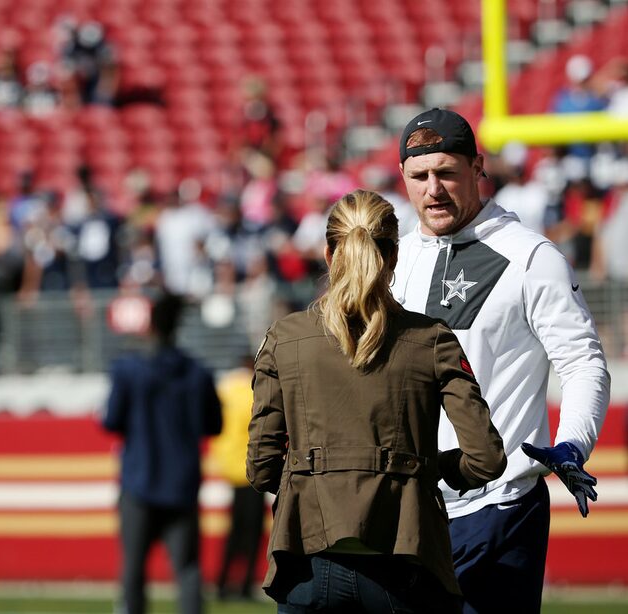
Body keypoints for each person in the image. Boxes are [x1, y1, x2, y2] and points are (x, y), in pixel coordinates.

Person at [247, 189, 507, 613]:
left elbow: (260, 469)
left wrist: (319, 485)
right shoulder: (432, 339)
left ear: (329, 253)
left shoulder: (285, 338)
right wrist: (428, 470)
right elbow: (486, 459)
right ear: (394, 256)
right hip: (405, 558)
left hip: (308, 561)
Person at [392, 108, 611, 613]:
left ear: (477, 168)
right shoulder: (395, 262)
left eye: (446, 172)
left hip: (500, 508)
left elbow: (582, 363)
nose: (433, 189)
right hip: (409, 509)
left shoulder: (533, 257)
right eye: (419, 176)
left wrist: (574, 442)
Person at [102, 292, 223, 614]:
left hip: (138, 482)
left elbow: (111, 420)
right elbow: (213, 425)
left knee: (133, 570)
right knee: (187, 569)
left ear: (150, 325)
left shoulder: (128, 370)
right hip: (182, 483)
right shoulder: (198, 373)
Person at [210, 354, 266, 601]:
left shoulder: (226, 388)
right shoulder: (255, 390)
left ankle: (223, 583)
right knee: (252, 532)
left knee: (235, 531)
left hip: (230, 466)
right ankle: (244, 586)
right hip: (251, 467)